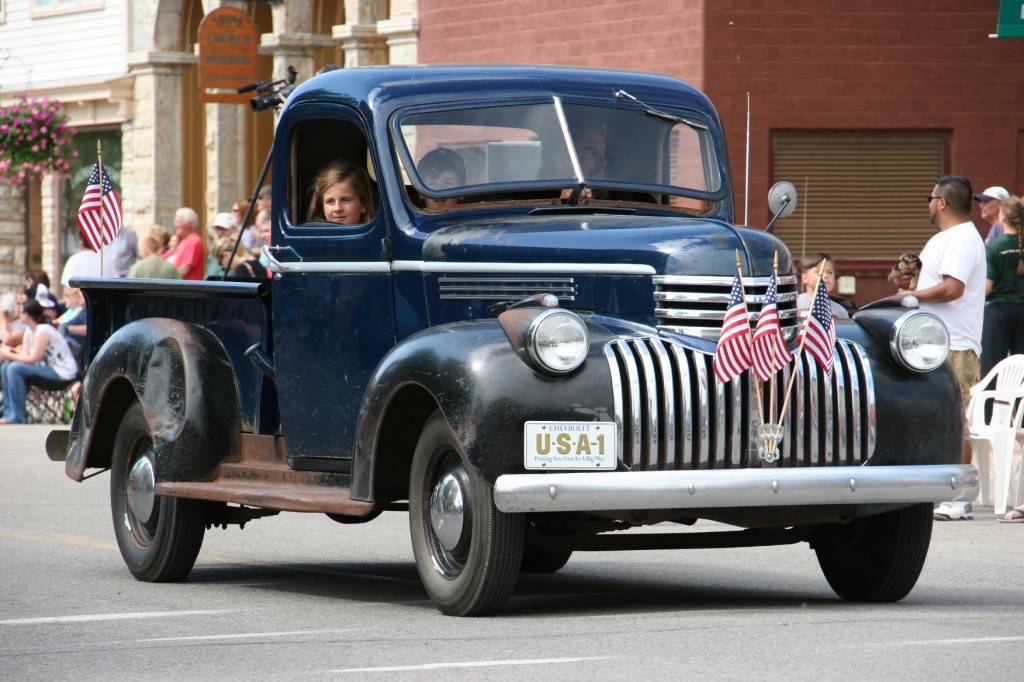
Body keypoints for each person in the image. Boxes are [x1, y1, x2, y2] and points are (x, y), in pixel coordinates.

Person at [910, 176, 987, 521]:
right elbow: (934, 281)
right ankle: (938, 491)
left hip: (955, 343)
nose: (927, 204)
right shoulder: (947, 238)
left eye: (929, 198)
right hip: (936, 341)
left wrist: (910, 297)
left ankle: (958, 497)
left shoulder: (962, 239)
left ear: (941, 202)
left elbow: (953, 289)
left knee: (957, 418)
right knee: (937, 417)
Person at [0, 298, 79, 424]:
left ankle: (18, 415)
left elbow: (32, 359)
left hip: (62, 371)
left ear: (29, 314)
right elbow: (25, 355)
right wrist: (10, 352)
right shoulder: (28, 331)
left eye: (21, 312)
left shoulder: (43, 330)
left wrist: (6, 354)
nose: (18, 315)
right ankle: (9, 412)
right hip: (45, 369)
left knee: (14, 368)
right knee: (6, 367)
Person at [980, 196, 1024, 377]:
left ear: (1003, 217)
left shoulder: (994, 247)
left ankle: (989, 405)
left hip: (998, 313)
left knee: (992, 369)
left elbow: (987, 288)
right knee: (1021, 369)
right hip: (1022, 311)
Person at [307, 162, 375, 224]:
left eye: (345, 200)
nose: (337, 208)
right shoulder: (312, 236)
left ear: (363, 204)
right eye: (330, 201)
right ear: (323, 207)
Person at [796, 253, 850, 320]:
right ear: (804, 278)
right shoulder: (794, 305)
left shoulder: (840, 312)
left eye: (830, 272)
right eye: (818, 272)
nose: (825, 276)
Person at [171, 207, 206, 280]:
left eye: (178, 222)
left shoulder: (194, 241)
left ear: (189, 224)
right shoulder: (186, 240)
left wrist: (170, 278)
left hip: (188, 288)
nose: (175, 225)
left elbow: (185, 268)